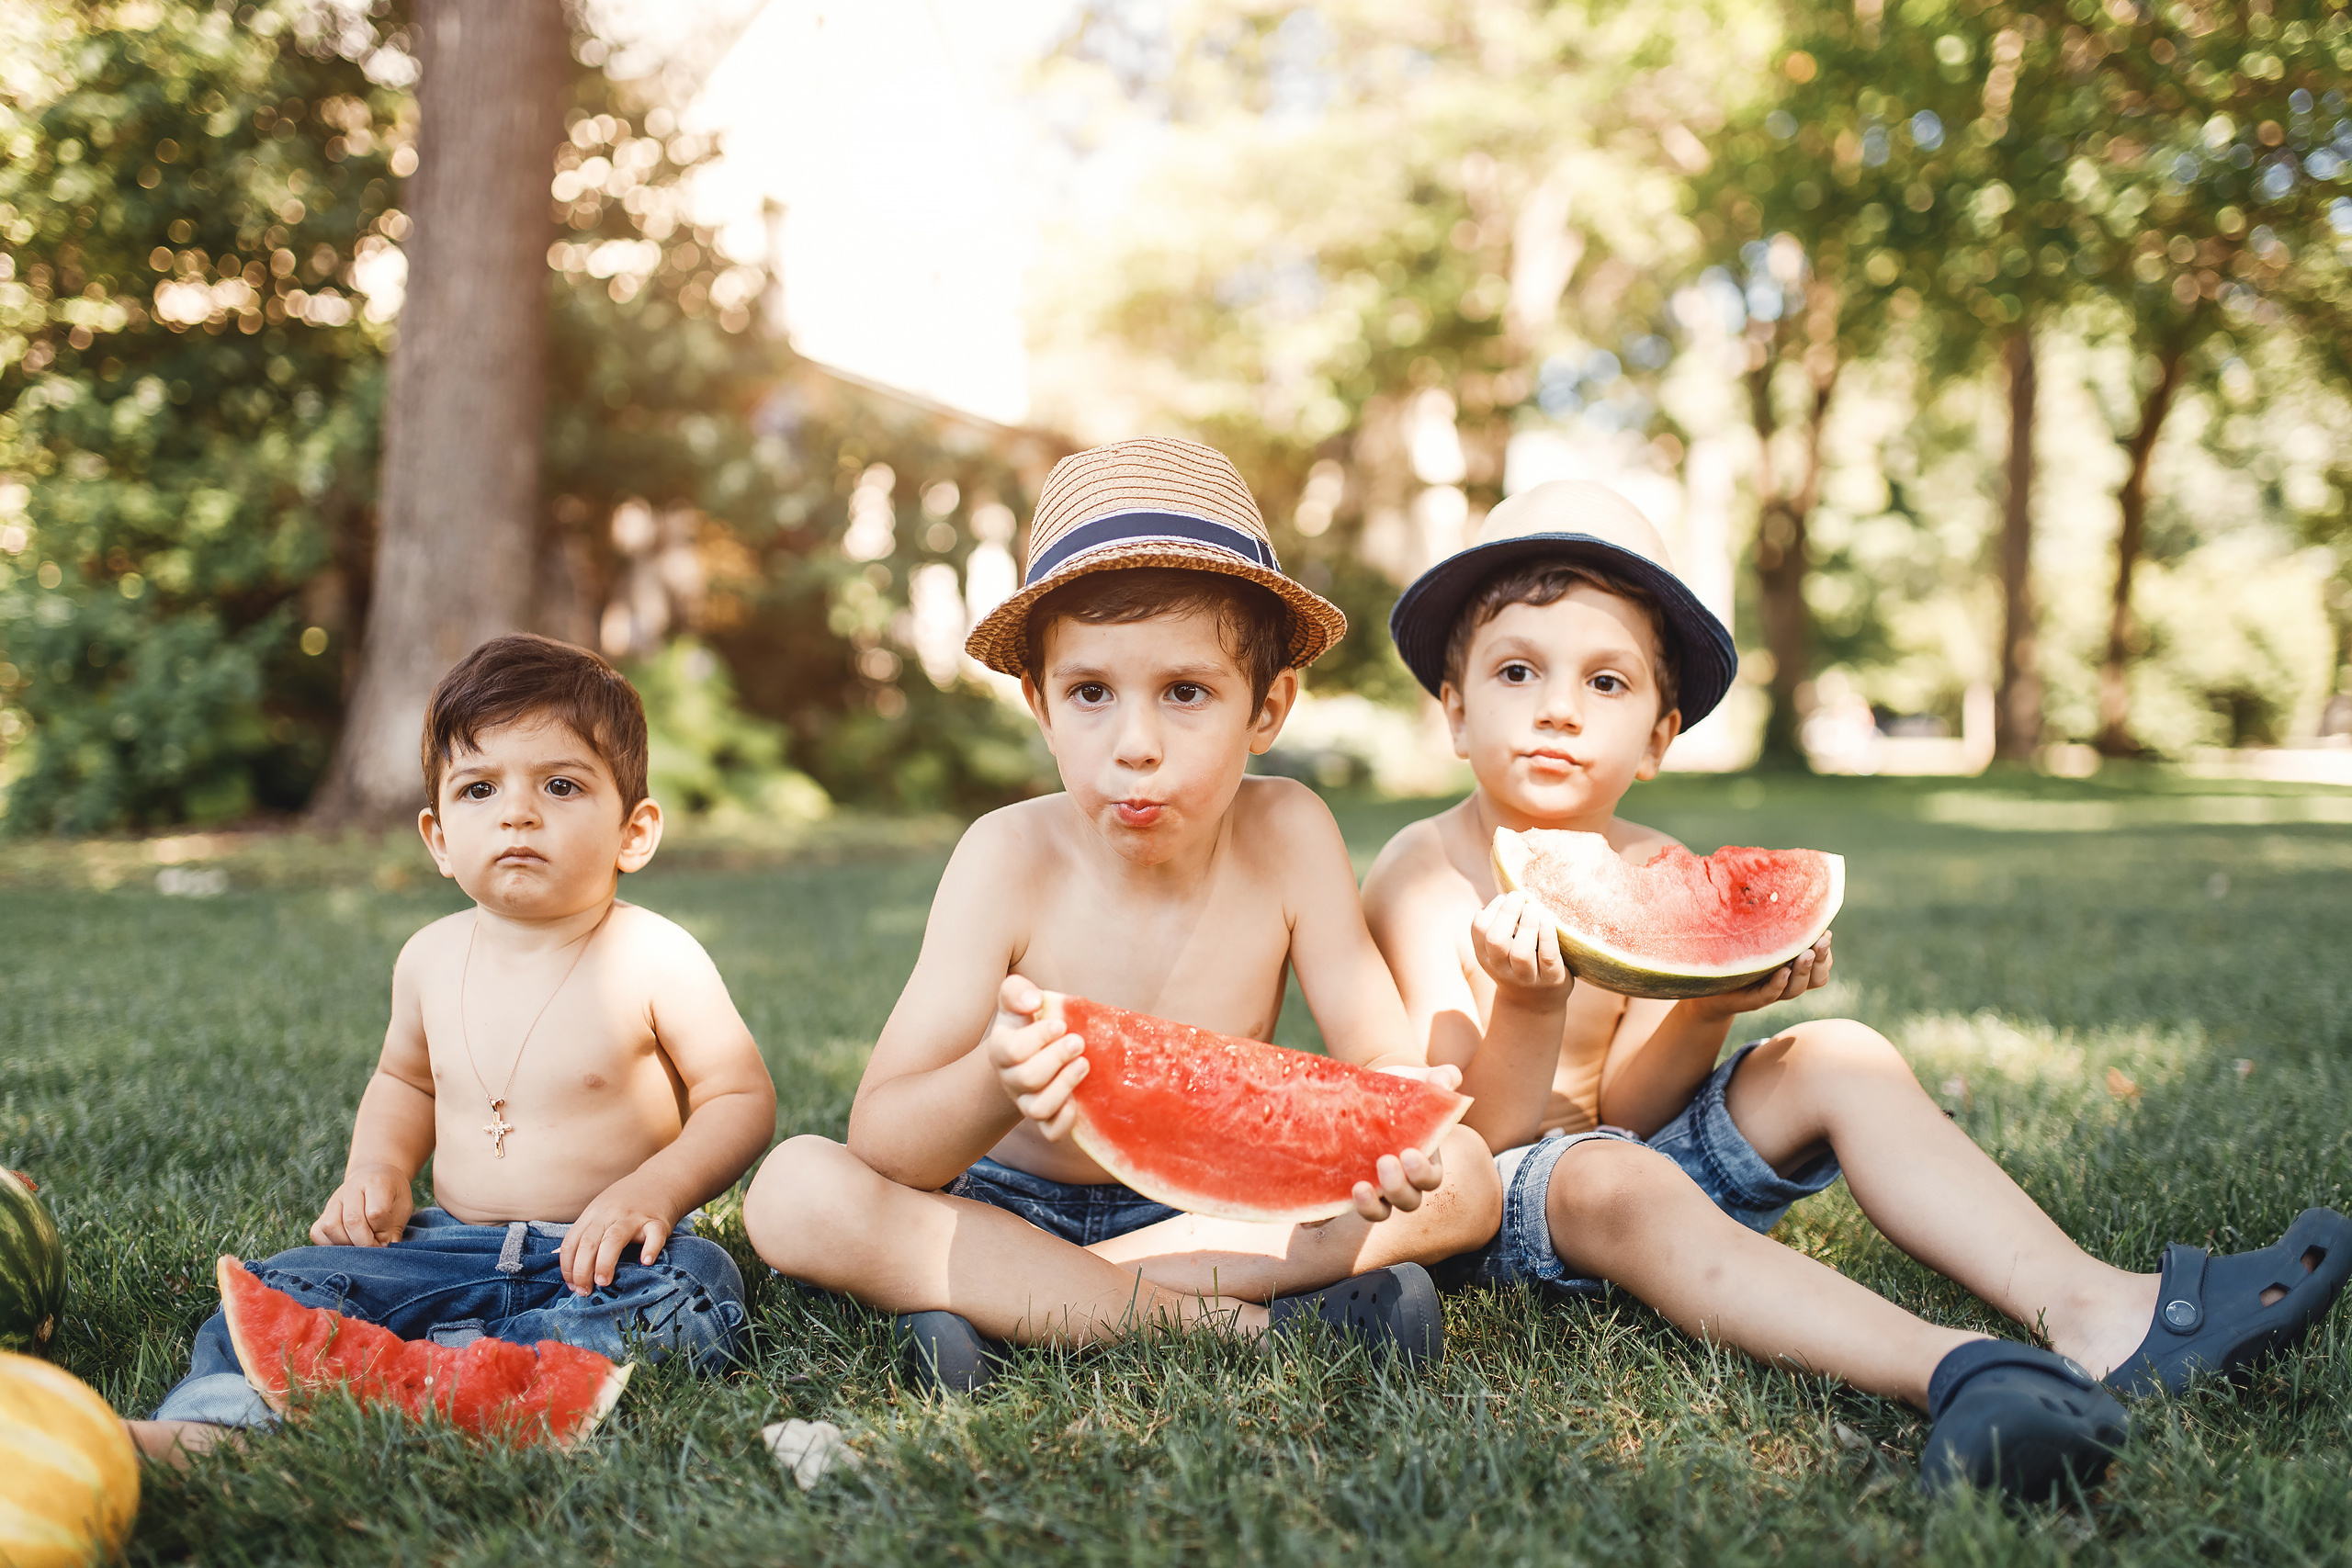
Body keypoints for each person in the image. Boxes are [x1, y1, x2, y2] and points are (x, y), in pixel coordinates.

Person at [1361, 479, 2352, 1500]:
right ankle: (1957, 1371)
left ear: (1658, 735)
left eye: (1606, 682)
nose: (1560, 707)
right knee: (1611, 1174)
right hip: (1502, 1212)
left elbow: (1631, 1106)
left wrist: (1711, 1004)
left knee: (1843, 1052)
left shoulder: (1655, 864)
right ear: (1456, 709)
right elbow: (1463, 1148)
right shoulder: (1423, 871)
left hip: (1631, 1163)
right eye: (1517, 670)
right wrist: (1529, 1005)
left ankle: (2101, 1312)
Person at [744, 436, 1499, 1391]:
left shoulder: (1290, 832)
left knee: (1467, 1172)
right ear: (1040, 705)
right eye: (1091, 693)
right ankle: (1241, 1331)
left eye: (1185, 692)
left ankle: (1015, 1303)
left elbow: (1381, 1058)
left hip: (1213, 1211)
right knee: (796, 1190)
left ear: (1267, 709)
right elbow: (884, 1145)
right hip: (1004, 1201)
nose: (1134, 744)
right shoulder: (1006, 856)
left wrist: (1394, 1142)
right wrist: (995, 1080)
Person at [131, 634, 777, 1460]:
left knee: (694, 1287)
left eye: (561, 785)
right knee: (274, 1285)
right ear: (438, 838)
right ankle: (210, 1429)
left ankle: (449, 1375)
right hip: (446, 1246)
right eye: (479, 788)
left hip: (603, 1258)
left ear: (634, 831)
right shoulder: (427, 958)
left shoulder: (656, 955)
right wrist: (378, 1169)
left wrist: (652, 1191)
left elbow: (739, 1097)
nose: (518, 812)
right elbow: (404, 1081)